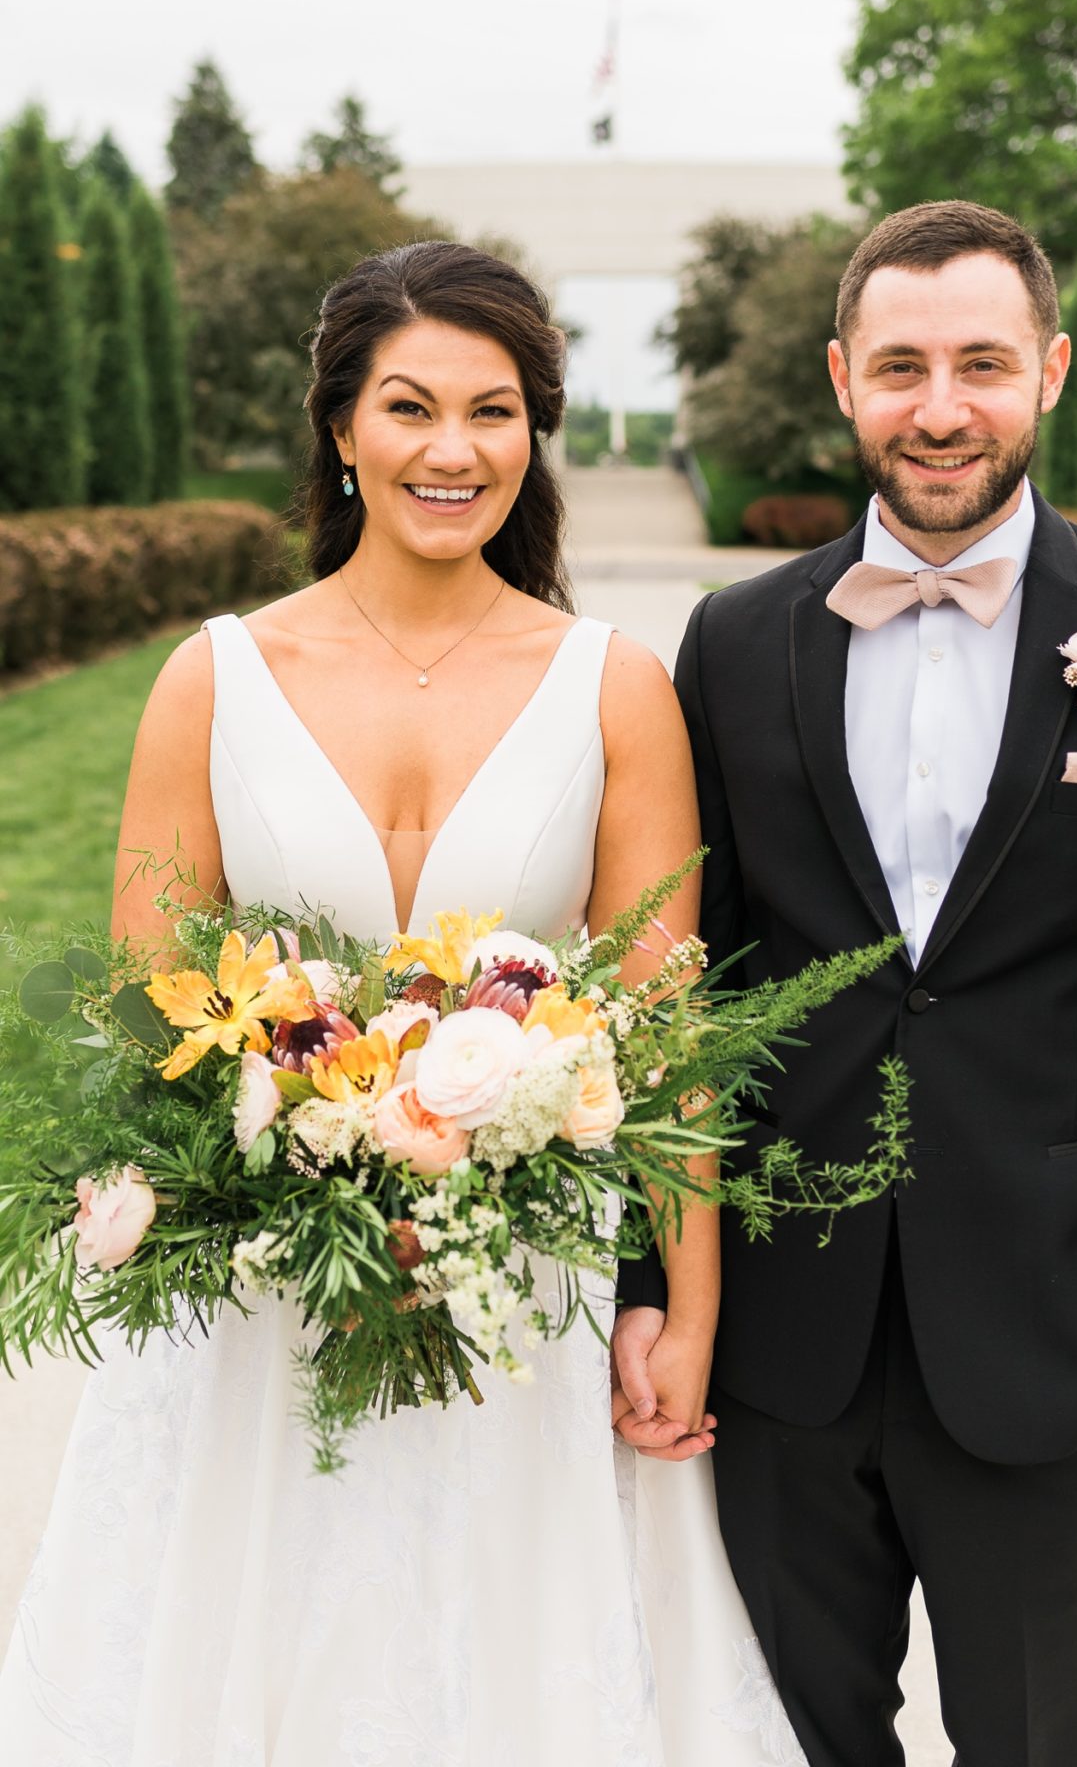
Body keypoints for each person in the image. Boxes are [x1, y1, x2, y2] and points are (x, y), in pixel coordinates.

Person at [0, 242, 804, 1766]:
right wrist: (302, 1172)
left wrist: (681, 1314)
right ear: (343, 429)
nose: (454, 451)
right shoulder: (216, 680)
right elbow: (147, 1021)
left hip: (521, 1298)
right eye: (412, 407)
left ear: (535, 431)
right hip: (263, 1306)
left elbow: (671, 1038)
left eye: (493, 412)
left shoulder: (614, 684)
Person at [613, 200, 1077, 1766]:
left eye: (983, 364)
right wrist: (654, 1286)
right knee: (793, 1738)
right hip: (785, 1335)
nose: (941, 409)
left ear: (1052, 370)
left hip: (1063, 1327)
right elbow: (679, 994)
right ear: (841, 377)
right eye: (901, 367)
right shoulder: (735, 646)